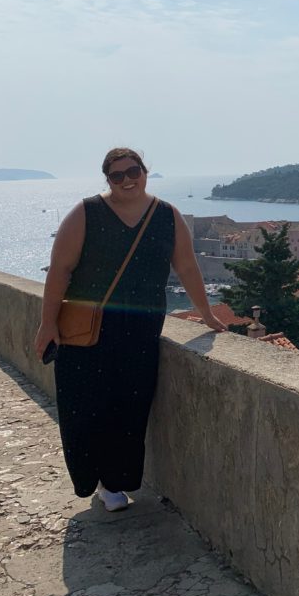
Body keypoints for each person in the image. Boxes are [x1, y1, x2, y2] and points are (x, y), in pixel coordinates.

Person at [33, 148, 227, 512]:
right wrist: (47, 323)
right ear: (107, 180)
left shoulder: (167, 216)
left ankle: (114, 483)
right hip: (86, 330)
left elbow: (187, 268)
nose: (126, 180)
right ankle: (91, 477)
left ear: (145, 171)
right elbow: (59, 270)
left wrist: (206, 314)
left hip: (140, 331)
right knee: (85, 407)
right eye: (116, 175)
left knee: (130, 407)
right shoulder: (86, 213)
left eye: (132, 171)